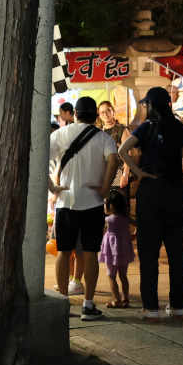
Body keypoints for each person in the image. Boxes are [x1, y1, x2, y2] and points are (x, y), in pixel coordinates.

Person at [119, 86, 183, 320]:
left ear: (151, 105)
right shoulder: (176, 126)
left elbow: (123, 150)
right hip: (174, 194)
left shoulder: (146, 128)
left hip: (150, 194)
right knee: (176, 255)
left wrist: (138, 172)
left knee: (148, 254)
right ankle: (178, 306)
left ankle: (151, 308)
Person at [49, 96, 118, 320]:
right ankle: (88, 305)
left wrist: (53, 187)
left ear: (75, 114)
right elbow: (114, 160)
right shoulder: (103, 137)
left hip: (66, 202)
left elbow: (40, 159)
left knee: (64, 252)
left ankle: (63, 303)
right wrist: (105, 189)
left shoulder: (60, 134)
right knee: (90, 253)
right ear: (95, 116)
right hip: (93, 203)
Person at [99, 187, 134, 308]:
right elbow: (138, 224)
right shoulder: (126, 218)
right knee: (123, 276)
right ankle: (126, 299)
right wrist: (133, 235)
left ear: (112, 206)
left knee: (111, 276)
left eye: (105, 204)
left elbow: (102, 232)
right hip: (124, 252)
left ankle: (117, 300)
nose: (104, 206)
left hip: (110, 252)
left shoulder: (108, 220)